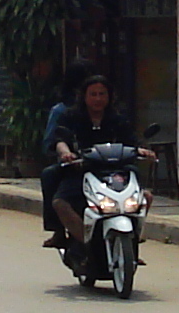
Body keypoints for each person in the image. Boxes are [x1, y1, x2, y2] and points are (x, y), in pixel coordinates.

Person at [40, 71, 129, 248]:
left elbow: (131, 141)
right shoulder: (70, 116)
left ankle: (132, 240)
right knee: (52, 181)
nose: (98, 99)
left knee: (142, 192)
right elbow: (60, 140)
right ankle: (61, 232)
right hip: (80, 170)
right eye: (93, 94)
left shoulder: (117, 119)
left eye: (102, 94)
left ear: (109, 97)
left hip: (112, 171)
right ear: (84, 97)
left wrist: (142, 150)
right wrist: (66, 153)